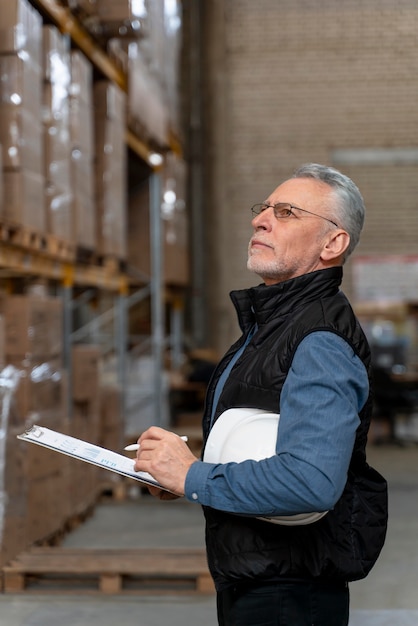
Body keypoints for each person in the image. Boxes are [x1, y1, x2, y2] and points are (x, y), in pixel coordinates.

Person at [134, 163, 388, 626]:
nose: (261, 219)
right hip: (257, 577)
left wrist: (194, 477)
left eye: (287, 212)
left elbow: (310, 483)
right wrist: (180, 475)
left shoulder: (319, 339)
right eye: (264, 208)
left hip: (289, 594)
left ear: (332, 244)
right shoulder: (270, 327)